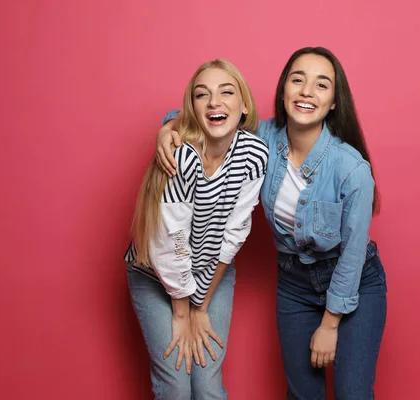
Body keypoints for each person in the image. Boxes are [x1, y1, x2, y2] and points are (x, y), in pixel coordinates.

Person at [156, 47, 387, 400]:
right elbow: (206, 113)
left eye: (321, 85)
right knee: (301, 394)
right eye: (298, 80)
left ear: (333, 103)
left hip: (352, 282)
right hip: (294, 282)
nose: (307, 91)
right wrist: (168, 129)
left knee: (352, 393)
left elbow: (353, 255)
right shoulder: (262, 139)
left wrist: (330, 323)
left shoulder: (352, 169)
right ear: (283, 91)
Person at [125, 58, 268, 400]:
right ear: (191, 108)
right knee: (175, 385)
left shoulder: (253, 153)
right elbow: (169, 243)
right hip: (157, 274)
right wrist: (182, 311)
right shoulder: (181, 157)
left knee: (206, 387)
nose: (215, 101)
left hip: (210, 272)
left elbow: (235, 233)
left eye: (226, 92)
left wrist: (200, 306)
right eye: (202, 94)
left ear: (243, 105)